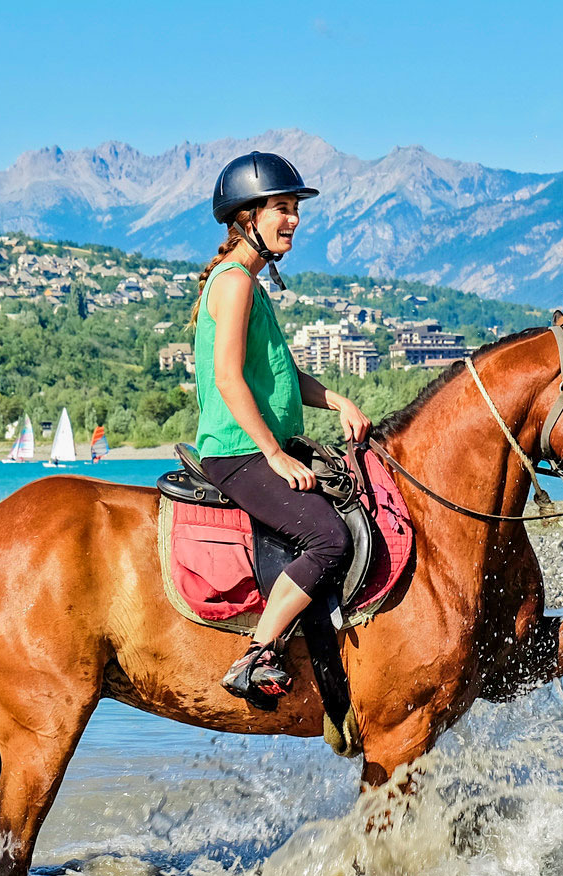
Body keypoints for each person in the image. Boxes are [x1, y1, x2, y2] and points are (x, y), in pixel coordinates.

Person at [189, 152, 373, 701]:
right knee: (329, 538)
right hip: (237, 451)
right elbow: (228, 379)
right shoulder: (234, 283)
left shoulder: (251, 283)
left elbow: (282, 375)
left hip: (256, 446)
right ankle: (255, 656)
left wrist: (337, 400)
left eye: (295, 209)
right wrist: (274, 453)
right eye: (282, 208)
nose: (293, 219)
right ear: (247, 216)